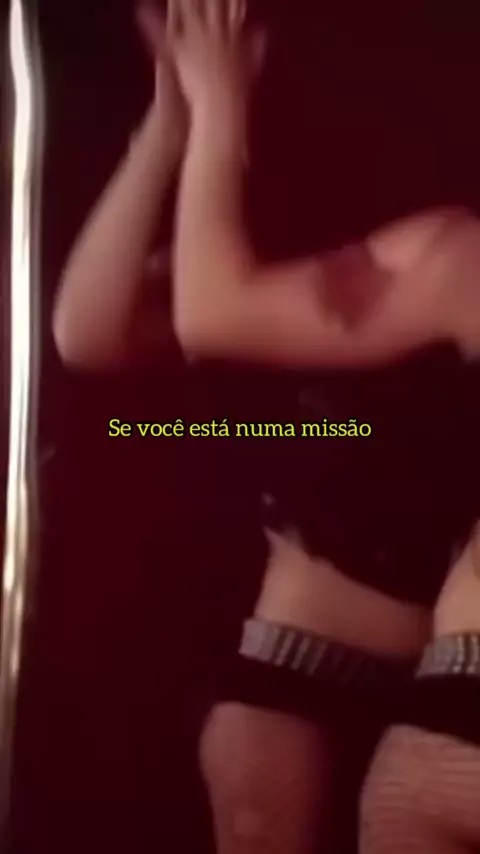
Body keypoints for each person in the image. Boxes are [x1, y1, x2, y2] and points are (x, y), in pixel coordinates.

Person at [54, 1, 480, 852]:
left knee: (406, 795)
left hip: (405, 583)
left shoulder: (433, 240)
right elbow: (89, 333)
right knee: (256, 770)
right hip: (348, 585)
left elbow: (212, 315)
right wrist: (169, 130)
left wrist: (217, 111)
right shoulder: (279, 225)